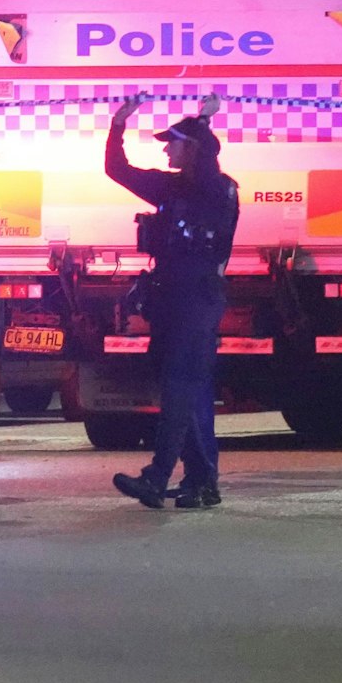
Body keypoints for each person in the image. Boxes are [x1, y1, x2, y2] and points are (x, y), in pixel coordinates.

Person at [104, 94, 238, 511]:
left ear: (192, 148)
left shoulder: (217, 190)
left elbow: (207, 172)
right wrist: (118, 125)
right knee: (181, 392)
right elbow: (117, 169)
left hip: (197, 301)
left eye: (173, 144)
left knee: (181, 389)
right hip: (170, 300)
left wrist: (203, 121)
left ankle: (158, 476)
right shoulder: (171, 185)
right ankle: (201, 481)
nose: (165, 151)